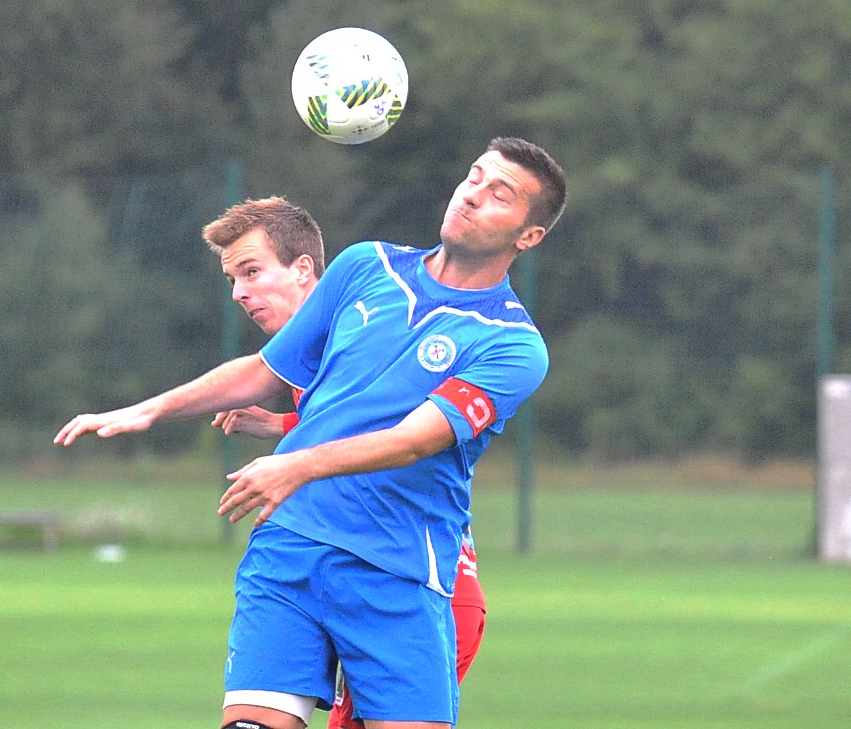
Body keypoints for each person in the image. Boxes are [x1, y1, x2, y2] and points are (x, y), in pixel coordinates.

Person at [54, 136, 567, 729]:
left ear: (529, 235)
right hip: (291, 545)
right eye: (474, 176)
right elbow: (266, 369)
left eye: (500, 193)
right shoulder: (365, 265)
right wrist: (152, 409)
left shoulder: (512, 345)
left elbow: (412, 440)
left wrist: (294, 463)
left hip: (396, 567)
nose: (472, 195)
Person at [202, 196, 488, 729]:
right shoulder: (314, 347)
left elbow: (399, 437)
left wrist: (287, 448)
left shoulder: (359, 325)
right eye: (233, 279)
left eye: (252, 272)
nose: (240, 292)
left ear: (304, 269)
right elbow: (352, 429)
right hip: (342, 565)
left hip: (417, 582)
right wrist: (282, 426)